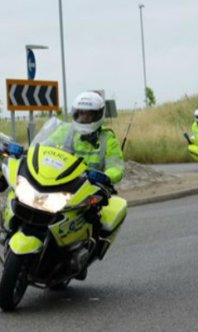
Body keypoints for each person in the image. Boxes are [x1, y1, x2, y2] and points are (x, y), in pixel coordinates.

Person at [49, 91, 125, 279]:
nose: (84, 117)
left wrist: (107, 176)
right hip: (62, 182)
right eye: (81, 113)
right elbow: (46, 146)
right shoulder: (65, 131)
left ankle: (83, 257)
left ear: (98, 115)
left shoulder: (108, 139)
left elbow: (116, 166)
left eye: (89, 114)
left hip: (91, 186)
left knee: (95, 218)